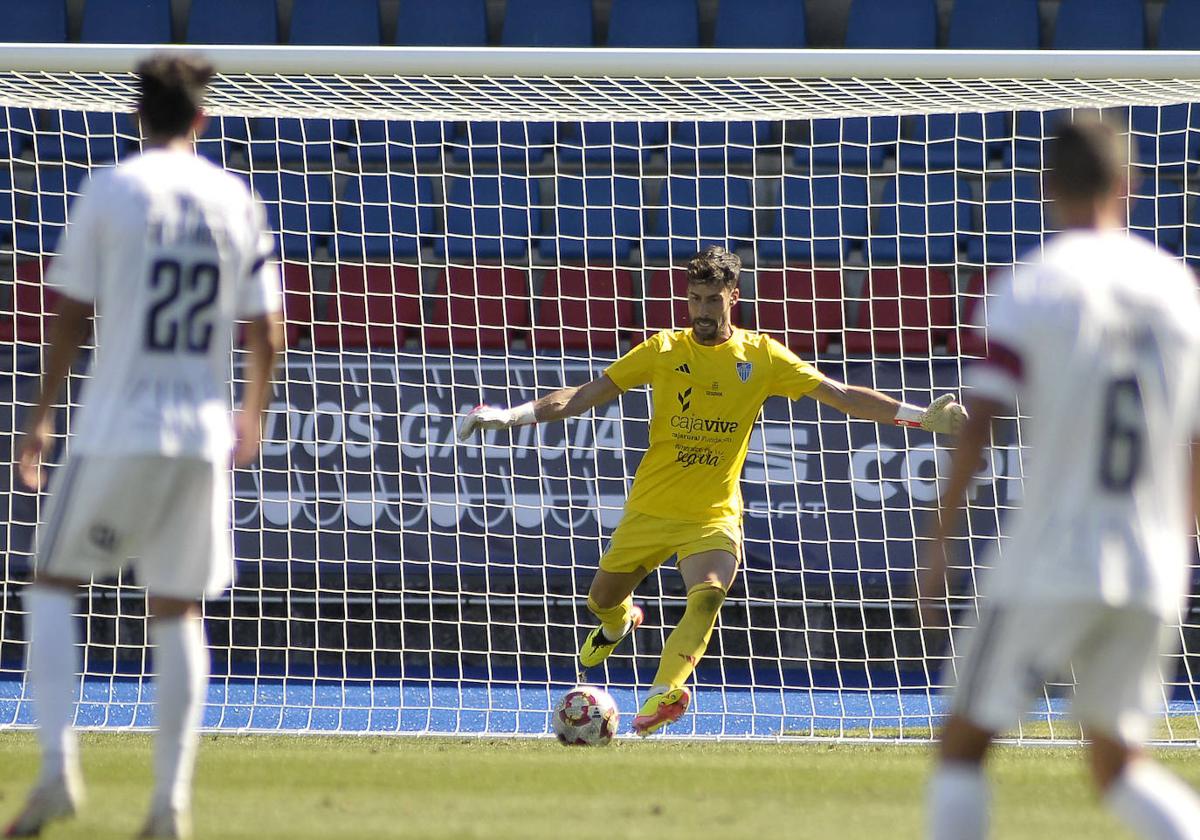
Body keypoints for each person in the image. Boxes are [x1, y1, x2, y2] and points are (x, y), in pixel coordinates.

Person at [459, 245, 965, 736]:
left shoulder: (762, 356)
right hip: (650, 510)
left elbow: (842, 395)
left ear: (733, 297)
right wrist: (511, 415)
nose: (702, 310)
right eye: (695, 299)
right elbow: (584, 395)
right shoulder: (662, 350)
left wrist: (919, 417)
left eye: (712, 299)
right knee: (601, 600)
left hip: (713, 513)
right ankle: (619, 624)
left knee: (709, 594)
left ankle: (663, 693)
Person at [5, 54, 283, 839]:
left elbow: (69, 314)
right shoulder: (235, 199)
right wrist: (253, 413)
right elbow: (269, 328)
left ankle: (58, 770)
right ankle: (170, 803)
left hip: (118, 427)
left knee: (54, 583)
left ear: (139, 116)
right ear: (202, 118)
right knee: (178, 609)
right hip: (201, 435)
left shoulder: (112, 189)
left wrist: (42, 413)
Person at [919, 118, 1200, 840]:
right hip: (1151, 566)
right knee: (1119, 762)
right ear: (1130, 186)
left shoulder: (1034, 286)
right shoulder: (1179, 293)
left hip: (1050, 557)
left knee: (961, 747)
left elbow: (978, 426)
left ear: (1046, 189)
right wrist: (1182, 548)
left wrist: (941, 538)